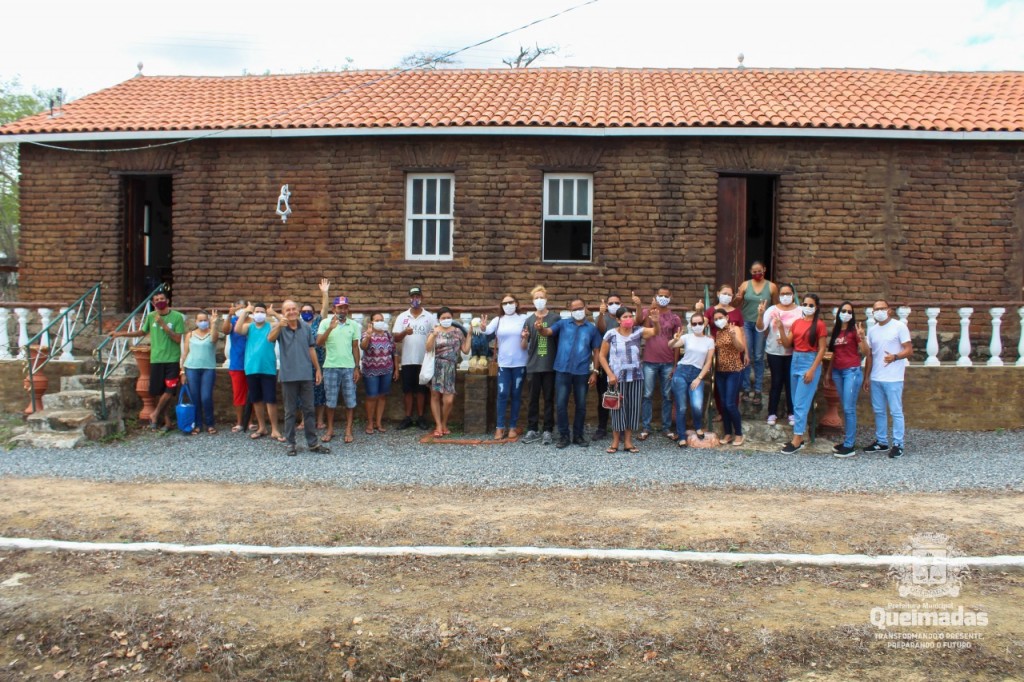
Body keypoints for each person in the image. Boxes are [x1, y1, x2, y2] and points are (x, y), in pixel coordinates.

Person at [109, 289, 185, 430]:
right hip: (156, 359)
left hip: (172, 360)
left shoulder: (177, 317)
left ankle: (155, 414)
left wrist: (163, 325)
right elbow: (142, 332)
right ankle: (167, 422)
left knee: (170, 390)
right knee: (159, 391)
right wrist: (121, 334)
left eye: (161, 299)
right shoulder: (151, 316)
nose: (159, 302)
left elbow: (178, 338)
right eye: (156, 300)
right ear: (153, 303)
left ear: (167, 301)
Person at [538, 297, 603, 449]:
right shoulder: (563, 324)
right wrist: (540, 328)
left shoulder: (591, 329)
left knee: (581, 405)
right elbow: (548, 332)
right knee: (561, 404)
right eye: (574, 309)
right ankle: (564, 435)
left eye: (580, 308)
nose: (578, 311)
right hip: (562, 370)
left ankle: (578, 435)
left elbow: (596, 351)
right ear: (570, 310)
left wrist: (595, 372)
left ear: (585, 308)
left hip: (582, 372)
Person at [268, 299, 328, 456]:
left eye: (294, 309)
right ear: (283, 313)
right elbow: (270, 339)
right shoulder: (280, 327)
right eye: (287, 310)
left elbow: (311, 349)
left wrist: (317, 369)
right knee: (290, 412)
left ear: (298, 310)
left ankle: (312, 443)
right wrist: (279, 326)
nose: (291, 312)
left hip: (305, 374)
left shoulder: (306, 328)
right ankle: (290, 443)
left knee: (309, 409)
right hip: (288, 376)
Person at [598, 305, 660, 454]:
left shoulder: (638, 332)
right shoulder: (610, 334)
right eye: (625, 317)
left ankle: (628, 441)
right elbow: (601, 356)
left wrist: (656, 322)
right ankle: (615, 442)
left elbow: (655, 332)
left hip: (636, 376)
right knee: (616, 408)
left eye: (630, 316)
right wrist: (610, 374)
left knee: (632, 409)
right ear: (618, 320)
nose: (628, 319)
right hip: (616, 379)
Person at [778, 293, 827, 454]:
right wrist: (780, 328)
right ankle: (798, 436)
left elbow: (822, 349)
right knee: (795, 400)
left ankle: (797, 438)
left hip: (809, 361)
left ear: (816, 307)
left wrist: (812, 369)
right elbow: (787, 343)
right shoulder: (797, 323)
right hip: (796, 359)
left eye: (811, 305)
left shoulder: (819, 325)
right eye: (805, 304)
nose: (807, 307)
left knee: (800, 402)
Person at [863, 299, 912, 458]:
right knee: (879, 411)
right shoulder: (872, 330)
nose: (879, 311)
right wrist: (867, 377)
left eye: (882, 308)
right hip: (876, 377)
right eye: (876, 309)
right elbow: (870, 355)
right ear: (873, 313)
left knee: (896, 411)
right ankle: (881, 441)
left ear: (889, 310)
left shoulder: (899, 326)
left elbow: (909, 349)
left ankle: (898, 443)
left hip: (894, 378)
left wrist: (896, 357)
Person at [633, 287, 683, 441]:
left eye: (665, 295)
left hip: (668, 361)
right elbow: (643, 327)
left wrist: (675, 365)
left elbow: (677, 343)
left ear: (670, 296)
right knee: (647, 395)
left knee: (667, 396)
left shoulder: (675, 318)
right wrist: (648, 309)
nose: (663, 297)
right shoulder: (649, 312)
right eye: (660, 295)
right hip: (649, 361)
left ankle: (666, 427)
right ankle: (646, 427)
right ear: (656, 296)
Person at [482, 294, 529, 440]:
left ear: (516, 303)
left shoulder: (523, 319)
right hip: (503, 363)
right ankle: (500, 427)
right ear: (501, 305)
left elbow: (528, 335)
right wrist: (482, 326)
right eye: (505, 303)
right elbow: (487, 331)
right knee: (502, 394)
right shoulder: (498, 320)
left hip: (520, 363)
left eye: (511, 302)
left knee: (516, 394)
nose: (508, 305)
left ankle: (513, 427)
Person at [826, 301, 869, 458]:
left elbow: (866, 352)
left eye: (849, 312)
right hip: (837, 372)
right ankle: (846, 442)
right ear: (839, 313)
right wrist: (828, 374)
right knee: (845, 406)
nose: (846, 313)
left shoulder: (854, 332)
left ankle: (850, 445)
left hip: (851, 372)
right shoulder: (837, 331)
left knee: (849, 408)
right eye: (843, 311)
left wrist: (862, 338)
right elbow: (834, 354)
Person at [234, 302, 283, 441]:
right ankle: (262, 427)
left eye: (262, 311)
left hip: (268, 368)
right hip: (251, 367)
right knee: (256, 399)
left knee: (271, 400)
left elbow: (284, 322)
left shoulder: (270, 325)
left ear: (265, 314)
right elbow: (237, 329)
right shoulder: (249, 327)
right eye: (257, 311)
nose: (259, 314)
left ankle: (275, 429)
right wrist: (245, 312)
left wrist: (274, 314)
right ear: (253, 313)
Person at [317, 295, 361, 444]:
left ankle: (348, 429)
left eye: (345, 307)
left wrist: (357, 367)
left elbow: (355, 347)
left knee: (350, 400)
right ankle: (330, 429)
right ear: (333, 309)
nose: (343, 310)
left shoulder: (353, 325)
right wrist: (330, 328)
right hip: (330, 366)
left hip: (348, 367)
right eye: (340, 307)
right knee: (331, 401)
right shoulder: (325, 323)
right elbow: (319, 342)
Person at [756, 283, 801, 427]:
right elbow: (760, 328)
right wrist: (760, 314)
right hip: (774, 351)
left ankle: (792, 412)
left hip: (793, 352)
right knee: (776, 381)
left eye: (788, 293)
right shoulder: (772, 310)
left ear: (793, 295)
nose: (785, 296)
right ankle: (772, 412)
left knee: (790, 382)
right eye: (783, 294)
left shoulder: (800, 311)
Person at [734, 261, 778, 405]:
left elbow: (776, 306)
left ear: (764, 269)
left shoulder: (771, 287)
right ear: (750, 272)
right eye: (754, 272)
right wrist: (738, 298)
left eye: (759, 271)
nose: (757, 274)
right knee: (747, 356)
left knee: (758, 356)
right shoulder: (745, 285)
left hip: (762, 324)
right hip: (746, 323)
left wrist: (771, 326)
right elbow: (734, 305)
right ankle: (746, 388)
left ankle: (758, 390)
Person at [392, 286, 437, 430]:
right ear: (409, 298)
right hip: (407, 360)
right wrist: (405, 332)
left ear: (421, 298)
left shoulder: (429, 317)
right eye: (413, 297)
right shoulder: (402, 317)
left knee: (422, 390)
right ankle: (408, 417)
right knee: (408, 390)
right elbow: (396, 338)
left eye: (418, 296)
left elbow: (435, 334)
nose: (415, 299)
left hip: (424, 360)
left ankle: (421, 418)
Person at [668, 311, 715, 447]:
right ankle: (681, 436)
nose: (697, 325)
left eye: (700, 323)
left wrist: (699, 378)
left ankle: (698, 426)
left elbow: (708, 362)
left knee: (696, 405)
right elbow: (670, 346)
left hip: (697, 373)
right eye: (694, 323)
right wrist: (676, 338)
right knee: (681, 407)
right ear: (691, 325)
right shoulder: (687, 337)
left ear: (704, 324)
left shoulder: (709, 341)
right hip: (682, 371)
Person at [520, 286, 560, 446]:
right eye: (536, 298)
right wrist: (524, 337)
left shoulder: (555, 319)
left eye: (541, 297)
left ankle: (548, 430)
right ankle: (532, 428)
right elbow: (523, 345)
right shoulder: (529, 320)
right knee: (533, 399)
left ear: (546, 298)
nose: (539, 300)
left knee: (549, 399)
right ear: (532, 301)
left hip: (550, 365)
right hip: (533, 365)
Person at [425, 307, 471, 437]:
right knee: (435, 396)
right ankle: (438, 425)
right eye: (443, 318)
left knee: (449, 399)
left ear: (452, 318)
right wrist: (433, 336)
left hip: (450, 367)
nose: (446, 320)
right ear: (439, 319)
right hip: (436, 366)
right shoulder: (434, 331)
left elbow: (466, 350)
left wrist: (470, 335)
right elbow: (428, 348)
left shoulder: (457, 332)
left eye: (448, 317)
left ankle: (444, 422)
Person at [298, 279, 331, 430]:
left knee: (320, 390)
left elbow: (325, 309)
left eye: (308, 311)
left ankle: (319, 420)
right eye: (303, 311)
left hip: (319, 360)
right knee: (303, 392)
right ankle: (304, 420)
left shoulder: (318, 322)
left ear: (313, 312)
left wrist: (325, 293)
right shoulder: (298, 325)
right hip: (302, 363)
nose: (306, 313)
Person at [711, 308, 747, 446]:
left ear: (727, 317)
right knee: (724, 405)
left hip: (734, 371)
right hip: (720, 372)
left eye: (721, 317)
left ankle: (738, 434)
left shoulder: (735, 329)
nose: (718, 320)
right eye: (716, 319)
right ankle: (727, 433)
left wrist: (733, 337)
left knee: (731, 404)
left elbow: (741, 348)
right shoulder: (718, 333)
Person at [180, 309, 219, 435]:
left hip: (208, 368)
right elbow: (185, 353)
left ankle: (210, 423)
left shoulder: (212, 333)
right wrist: (182, 371)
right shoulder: (190, 335)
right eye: (200, 320)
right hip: (191, 368)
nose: (203, 322)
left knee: (206, 397)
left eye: (205, 320)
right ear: (196, 322)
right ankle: (197, 424)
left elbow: (213, 339)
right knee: (195, 397)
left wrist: (214, 324)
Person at [360, 312, 399, 434]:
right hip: (371, 371)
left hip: (387, 370)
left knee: (382, 396)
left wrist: (396, 369)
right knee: (371, 396)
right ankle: (370, 422)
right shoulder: (366, 334)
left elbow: (395, 352)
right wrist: (369, 336)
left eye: (381, 320)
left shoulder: (388, 335)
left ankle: (378, 422)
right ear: (371, 322)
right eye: (377, 320)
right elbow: (363, 347)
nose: (380, 322)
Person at [594, 293, 624, 439]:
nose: (613, 305)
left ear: (621, 304)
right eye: (610, 303)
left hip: (622, 365)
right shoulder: (602, 318)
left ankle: (622, 427)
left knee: (623, 396)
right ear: (606, 304)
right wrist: (601, 314)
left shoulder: (624, 318)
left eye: (616, 302)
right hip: (605, 364)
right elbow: (600, 329)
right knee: (604, 396)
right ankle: (602, 427)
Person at [223, 300, 255, 433]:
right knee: (238, 394)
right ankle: (240, 422)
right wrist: (229, 316)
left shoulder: (254, 322)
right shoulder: (234, 320)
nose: (242, 310)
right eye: (239, 307)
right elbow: (225, 331)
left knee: (253, 393)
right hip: (237, 363)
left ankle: (251, 421)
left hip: (253, 363)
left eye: (244, 307)